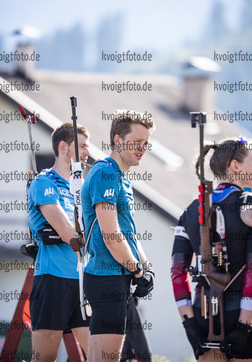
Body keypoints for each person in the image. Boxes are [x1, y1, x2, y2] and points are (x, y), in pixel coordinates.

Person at [171, 138, 252, 361]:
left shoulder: (192, 209)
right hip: (244, 317)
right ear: (235, 167)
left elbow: (177, 273)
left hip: (203, 318)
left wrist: (189, 324)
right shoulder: (250, 204)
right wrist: (243, 328)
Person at [81, 110, 155, 362]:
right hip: (107, 278)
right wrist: (137, 271)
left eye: (146, 143)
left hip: (113, 278)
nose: (142, 148)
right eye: (136, 142)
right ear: (117, 140)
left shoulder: (119, 176)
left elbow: (128, 234)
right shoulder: (106, 173)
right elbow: (111, 235)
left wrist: (146, 268)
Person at [28, 122, 90, 361]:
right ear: (63, 147)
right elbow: (66, 231)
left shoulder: (82, 188)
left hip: (83, 281)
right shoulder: (45, 182)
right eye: (82, 146)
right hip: (53, 280)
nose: (87, 152)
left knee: (98, 354)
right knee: (45, 357)